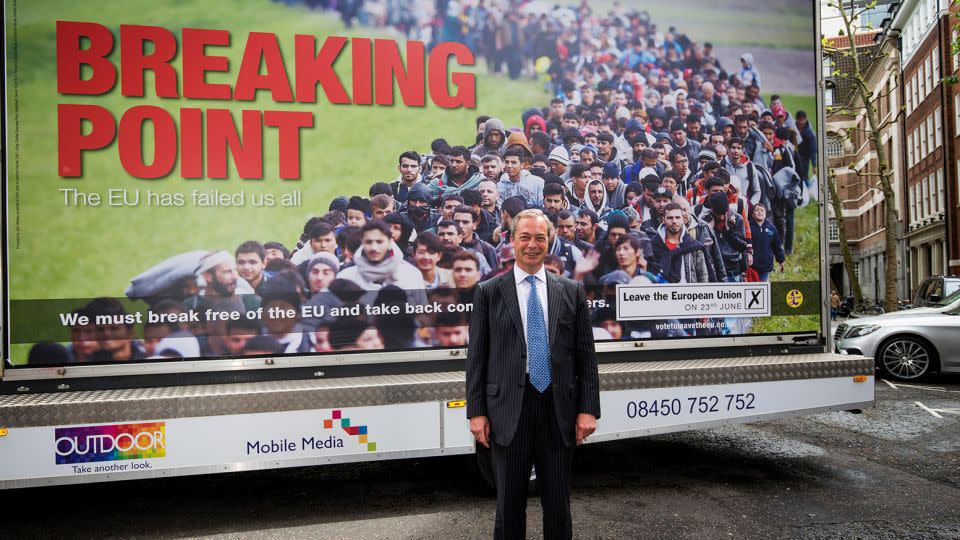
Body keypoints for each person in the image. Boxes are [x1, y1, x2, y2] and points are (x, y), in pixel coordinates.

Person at [466, 208, 600, 540]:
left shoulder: (570, 291)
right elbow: (477, 358)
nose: (532, 244)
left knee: (558, 505)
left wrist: (588, 409)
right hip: (508, 411)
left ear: (549, 242)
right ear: (511, 241)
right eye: (524, 237)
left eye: (540, 237)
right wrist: (477, 412)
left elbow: (585, 355)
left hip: (558, 411)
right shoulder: (489, 292)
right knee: (509, 506)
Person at [747, 203, 785, 282]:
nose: (760, 212)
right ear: (752, 214)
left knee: (763, 286)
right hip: (752, 265)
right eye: (757, 210)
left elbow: (777, 246)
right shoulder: (748, 227)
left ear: (765, 213)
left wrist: (781, 260)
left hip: (765, 265)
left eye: (762, 211)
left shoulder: (771, 228)